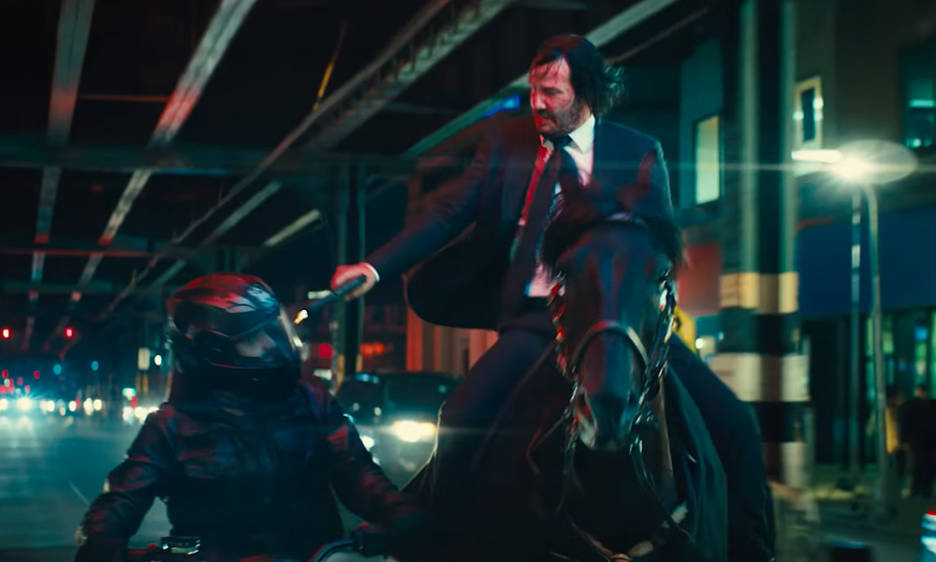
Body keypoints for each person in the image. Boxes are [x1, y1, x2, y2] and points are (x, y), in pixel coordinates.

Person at [331, 34, 773, 561]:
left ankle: (757, 549)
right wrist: (373, 267)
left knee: (735, 420)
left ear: (585, 93)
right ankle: (428, 535)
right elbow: (448, 213)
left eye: (552, 92)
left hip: (620, 319)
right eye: (534, 90)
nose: (538, 103)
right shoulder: (506, 143)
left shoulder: (637, 151)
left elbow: (659, 243)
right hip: (536, 320)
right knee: (460, 416)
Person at [75, 273, 422, 562]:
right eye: (254, 337)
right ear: (215, 350)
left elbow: (356, 470)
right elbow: (122, 498)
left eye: (272, 331)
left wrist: (397, 510)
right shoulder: (171, 426)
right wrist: (101, 540)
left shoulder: (310, 398)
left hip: (312, 556)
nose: (271, 344)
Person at [899, 383, 936, 497]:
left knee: (918, 464)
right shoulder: (932, 405)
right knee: (929, 465)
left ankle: (916, 488)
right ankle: (925, 489)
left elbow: (904, 424)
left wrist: (904, 440)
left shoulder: (909, 405)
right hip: (930, 440)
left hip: (916, 440)